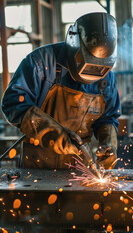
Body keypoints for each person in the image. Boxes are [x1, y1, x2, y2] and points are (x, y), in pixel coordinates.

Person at [1, 12, 121, 170]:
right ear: (74, 42)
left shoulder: (107, 79)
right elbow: (13, 104)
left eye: (101, 69)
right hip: (38, 165)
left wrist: (108, 144)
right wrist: (51, 132)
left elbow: (107, 119)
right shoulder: (41, 63)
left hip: (81, 165)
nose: (94, 72)